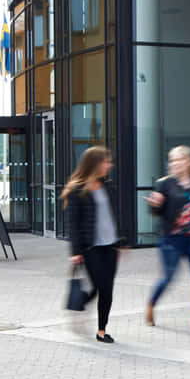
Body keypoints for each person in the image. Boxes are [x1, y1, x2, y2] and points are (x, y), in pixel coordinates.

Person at [145, 146, 190, 331]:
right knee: (169, 277)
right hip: (172, 239)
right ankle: (151, 304)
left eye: (179, 159)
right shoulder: (164, 184)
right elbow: (155, 211)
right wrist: (155, 205)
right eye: (172, 160)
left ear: (189, 162)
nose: (174, 163)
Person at [63, 145, 124, 344]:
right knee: (99, 286)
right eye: (106, 161)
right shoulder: (77, 190)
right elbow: (73, 223)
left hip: (111, 246)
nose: (109, 165)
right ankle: (78, 304)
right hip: (91, 248)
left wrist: (122, 242)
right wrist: (75, 251)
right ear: (95, 164)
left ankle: (101, 330)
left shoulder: (108, 186)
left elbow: (113, 217)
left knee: (107, 290)